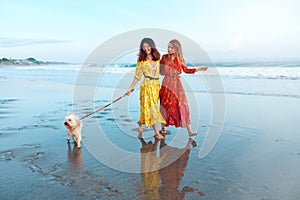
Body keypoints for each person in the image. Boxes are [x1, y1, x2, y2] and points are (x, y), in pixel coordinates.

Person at [159, 39, 208, 136]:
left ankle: (189, 131)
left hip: (177, 84)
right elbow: (160, 72)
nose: (169, 49)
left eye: (172, 47)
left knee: (183, 105)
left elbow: (186, 70)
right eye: (168, 47)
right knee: (165, 105)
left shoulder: (180, 58)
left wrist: (198, 69)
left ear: (177, 48)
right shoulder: (164, 57)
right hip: (167, 83)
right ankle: (163, 128)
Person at [126, 38, 165, 140]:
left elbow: (161, 72)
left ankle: (140, 123)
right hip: (146, 86)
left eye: (148, 46)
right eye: (144, 47)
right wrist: (130, 88)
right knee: (152, 109)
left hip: (156, 86)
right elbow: (137, 76)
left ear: (152, 46)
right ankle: (156, 132)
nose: (146, 49)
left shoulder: (158, 58)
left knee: (151, 108)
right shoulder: (141, 61)